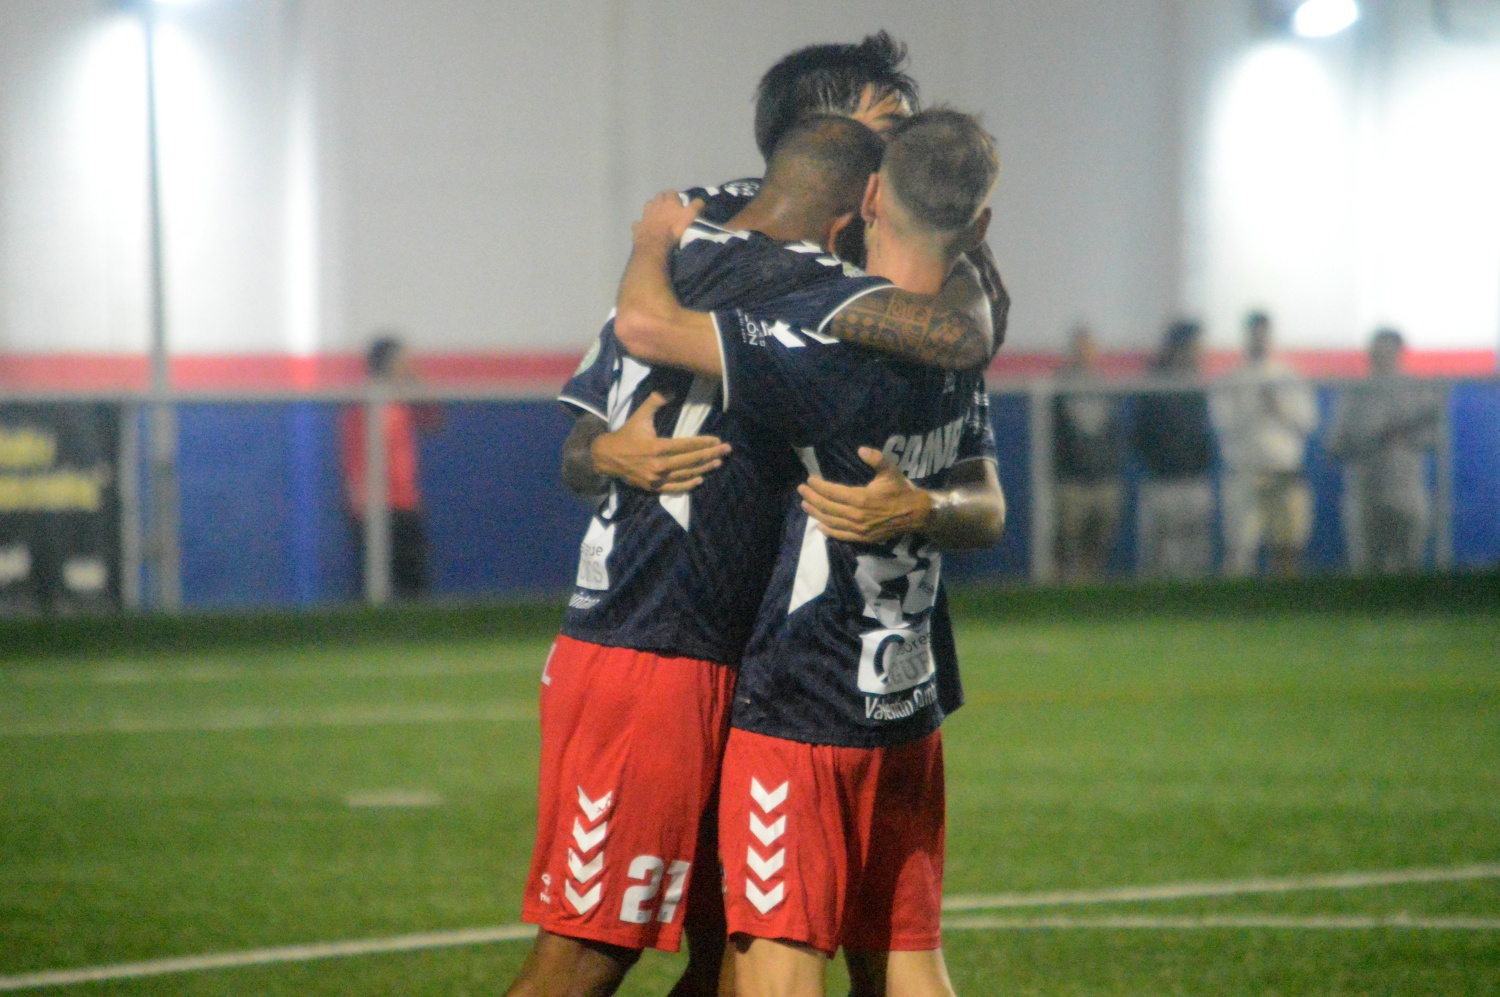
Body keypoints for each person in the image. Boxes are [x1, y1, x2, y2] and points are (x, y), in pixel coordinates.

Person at [509, 117, 994, 997]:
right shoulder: (943, 330)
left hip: (798, 690)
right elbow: (584, 439)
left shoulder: (820, 323)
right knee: (885, 957)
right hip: (866, 688)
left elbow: (650, 326)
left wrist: (653, 239)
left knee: (764, 955)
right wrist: (607, 450)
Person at [1210, 312, 1319, 577]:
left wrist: (1277, 405)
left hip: (1284, 472)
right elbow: (1222, 425)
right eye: (1253, 335)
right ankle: (1237, 613)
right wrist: (1255, 406)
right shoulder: (1230, 380)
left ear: (1269, 337)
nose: (1258, 341)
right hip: (1244, 473)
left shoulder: (1289, 377)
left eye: (1263, 335)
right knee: (1239, 549)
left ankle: (1288, 611)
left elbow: (1308, 423)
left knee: (1288, 547)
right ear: (1246, 338)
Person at [1326, 328, 1441, 574]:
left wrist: (1405, 437)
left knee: (1410, 567)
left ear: (1400, 353)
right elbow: (1335, 446)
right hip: (1364, 492)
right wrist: (1370, 440)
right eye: (1378, 351)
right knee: (1367, 570)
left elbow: (1435, 439)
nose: (1383, 357)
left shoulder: (1417, 390)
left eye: (1389, 351)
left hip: (1407, 490)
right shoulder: (1355, 393)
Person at [339, 335, 440, 598]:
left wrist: (416, 380)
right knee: (375, 582)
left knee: (413, 577)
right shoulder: (365, 404)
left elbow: (434, 419)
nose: (408, 367)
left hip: (404, 502)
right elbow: (355, 459)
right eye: (403, 362)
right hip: (374, 505)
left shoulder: (401, 402)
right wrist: (360, 502)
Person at [1132, 321, 1216, 579]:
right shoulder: (1153, 385)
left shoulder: (1201, 386)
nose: (1199, 351)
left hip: (1195, 481)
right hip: (1160, 483)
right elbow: (1140, 434)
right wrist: (1158, 464)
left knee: (1196, 557)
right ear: (1179, 346)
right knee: (1155, 559)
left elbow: (1208, 434)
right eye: (1195, 345)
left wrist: (1200, 463)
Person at [1052, 325, 1123, 582]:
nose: (1085, 353)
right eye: (1080, 347)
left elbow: (1113, 434)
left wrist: (1111, 469)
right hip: (1072, 481)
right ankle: (1063, 597)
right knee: (1067, 544)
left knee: (1099, 544)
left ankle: (1090, 594)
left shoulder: (1104, 386)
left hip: (1103, 479)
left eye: (1089, 347)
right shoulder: (1057, 388)